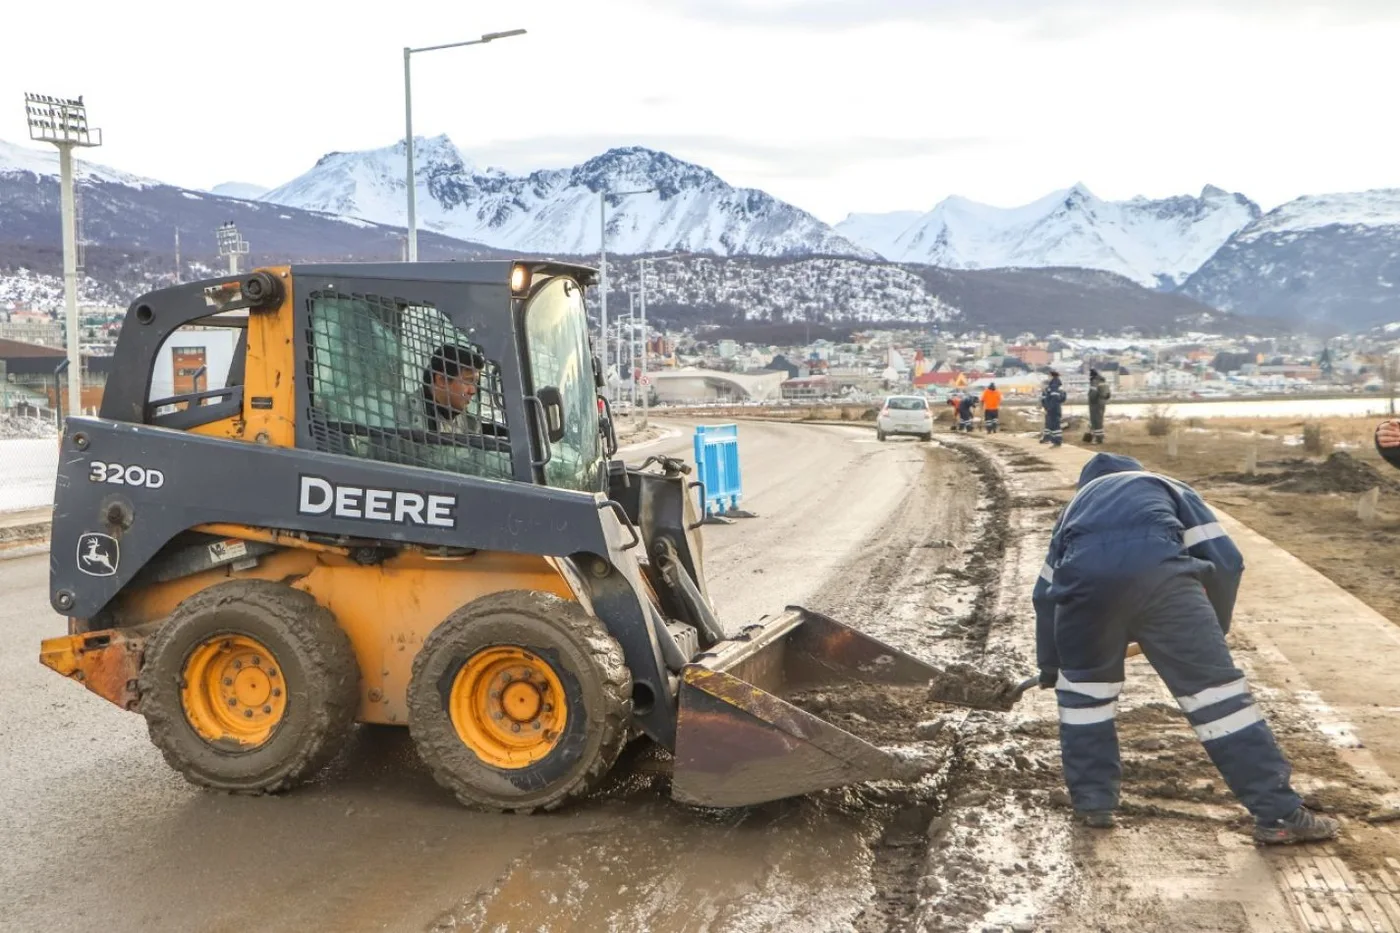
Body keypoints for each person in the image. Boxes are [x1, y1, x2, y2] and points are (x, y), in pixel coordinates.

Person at [1033, 452, 1339, 844]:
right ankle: (1277, 815)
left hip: (1084, 592)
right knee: (1220, 703)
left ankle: (1094, 804)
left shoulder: (1073, 511)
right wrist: (1215, 625)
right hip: (1167, 589)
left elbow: (1044, 596)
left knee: (1084, 700)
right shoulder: (1166, 486)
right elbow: (1226, 561)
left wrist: (1052, 664)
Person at [421, 344, 505, 437]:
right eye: (468, 381)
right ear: (442, 380)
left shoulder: (460, 415)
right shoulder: (414, 419)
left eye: (475, 382)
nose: (473, 391)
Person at [1084, 369, 1111, 445]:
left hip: (1095, 404)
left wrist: (1090, 400)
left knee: (1096, 421)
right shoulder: (1103, 381)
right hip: (1102, 403)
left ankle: (1098, 439)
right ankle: (1100, 436)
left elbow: (1092, 395)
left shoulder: (1095, 382)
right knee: (1099, 420)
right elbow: (1108, 395)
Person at [1040, 370, 1066, 446]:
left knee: (1055, 426)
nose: (1048, 377)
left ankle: (1057, 441)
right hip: (1054, 408)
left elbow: (1054, 399)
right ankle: (1052, 439)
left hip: (1053, 409)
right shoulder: (1056, 385)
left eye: (1049, 376)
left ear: (1052, 376)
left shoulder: (1054, 386)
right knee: (1052, 425)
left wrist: (1049, 409)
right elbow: (1062, 398)